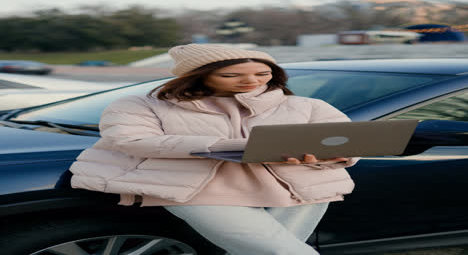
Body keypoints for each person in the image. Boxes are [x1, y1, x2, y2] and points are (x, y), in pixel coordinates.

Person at [69, 44, 359, 255]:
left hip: (299, 187)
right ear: (197, 75)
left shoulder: (307, 106)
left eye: (263, 72)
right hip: (194, 190)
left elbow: (347, 143)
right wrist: (227, 147)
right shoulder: (139, 104)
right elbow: (131, 140)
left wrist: (331, 157)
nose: (252, 81)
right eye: (232, 75)